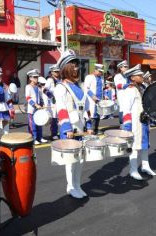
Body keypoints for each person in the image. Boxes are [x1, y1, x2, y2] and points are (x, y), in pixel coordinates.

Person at [54, 50, 94, 199]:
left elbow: (87, 109)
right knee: (71, 160)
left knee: (80, 159)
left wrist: (89, 126)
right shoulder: (61, 88)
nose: (77, 68)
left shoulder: (80, 87)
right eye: (73, 65)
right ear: (65, 68)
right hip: (70, 129)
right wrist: (66, 129)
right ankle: (70, 186)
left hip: (81, 128)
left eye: (77, 65)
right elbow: (61, 110)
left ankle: (77, 185)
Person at [122, 64, 156, 180]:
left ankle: (145, 166)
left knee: (145, 144)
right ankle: (133, 170)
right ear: (132, 78)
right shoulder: (130, 90)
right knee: (135, 146)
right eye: (139, 75)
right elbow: (126, 109)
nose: (142, 76)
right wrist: (127, 127)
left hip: (144, 122)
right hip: (135, 123)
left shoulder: (141, 88)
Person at [25, 69, 48, 145]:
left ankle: (40, 137)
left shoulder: (38, 87)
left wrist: (43, 104)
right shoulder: (28, 87)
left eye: (37, 77)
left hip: (38, 109)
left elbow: (40, 97)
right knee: (33, 125)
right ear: (30, 78)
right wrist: (35, 105)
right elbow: (28, 98)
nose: (36, 78)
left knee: (39, 123)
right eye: (34, 77)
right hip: (32, 109)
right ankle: (33, 138)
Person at [83, 64, 104, 134]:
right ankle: (88, 129)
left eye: (101, 72)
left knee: (98, 114)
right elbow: (86, 88)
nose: (101, 73)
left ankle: (95, 129)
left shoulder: (101, 78)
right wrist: (92, 96)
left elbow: (102, 89)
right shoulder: (89, 77)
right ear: (95, 70)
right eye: (99, 71)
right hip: (91, 99)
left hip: (99, 100)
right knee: (90, 114)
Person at [45, 65, 61, 140]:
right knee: (54, 118)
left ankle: (58, 132)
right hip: (53, 102)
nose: (57, 73)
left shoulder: (60, 79)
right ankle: (53, 134)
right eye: (55, 71)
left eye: (58, 71)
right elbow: (45, 90)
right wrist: (51, 96)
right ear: (52, 72)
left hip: (60, 101)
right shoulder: (50, 80)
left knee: (60, 117)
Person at [114, 60, 129, 126]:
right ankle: (122, 124)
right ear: (120, 68)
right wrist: (128, 85)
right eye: (125, 67)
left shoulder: (127, 76)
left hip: (127, 95)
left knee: (128, 110)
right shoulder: (117, 76)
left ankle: (127, 123)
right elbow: (118, 86)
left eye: (127, 67)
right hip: (121, 95)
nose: (126, 68)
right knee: (122, 109)